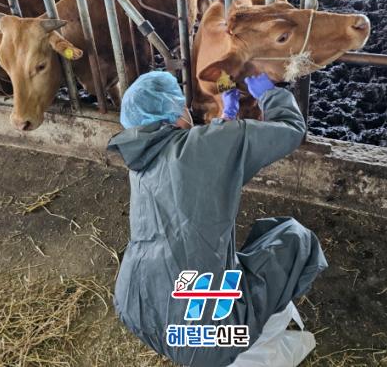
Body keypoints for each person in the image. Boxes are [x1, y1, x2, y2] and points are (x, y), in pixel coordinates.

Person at [107, 71, 327, 367]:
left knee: (253, 240)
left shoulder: (141, 161)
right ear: (176, 111)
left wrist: (225, 124)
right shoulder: (208, 144)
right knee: (295, 238)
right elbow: (290, 129)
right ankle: (244, 334)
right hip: (205, 341)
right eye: (183, 105)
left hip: (135, 309)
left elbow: (198, 165)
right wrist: (270, 94)